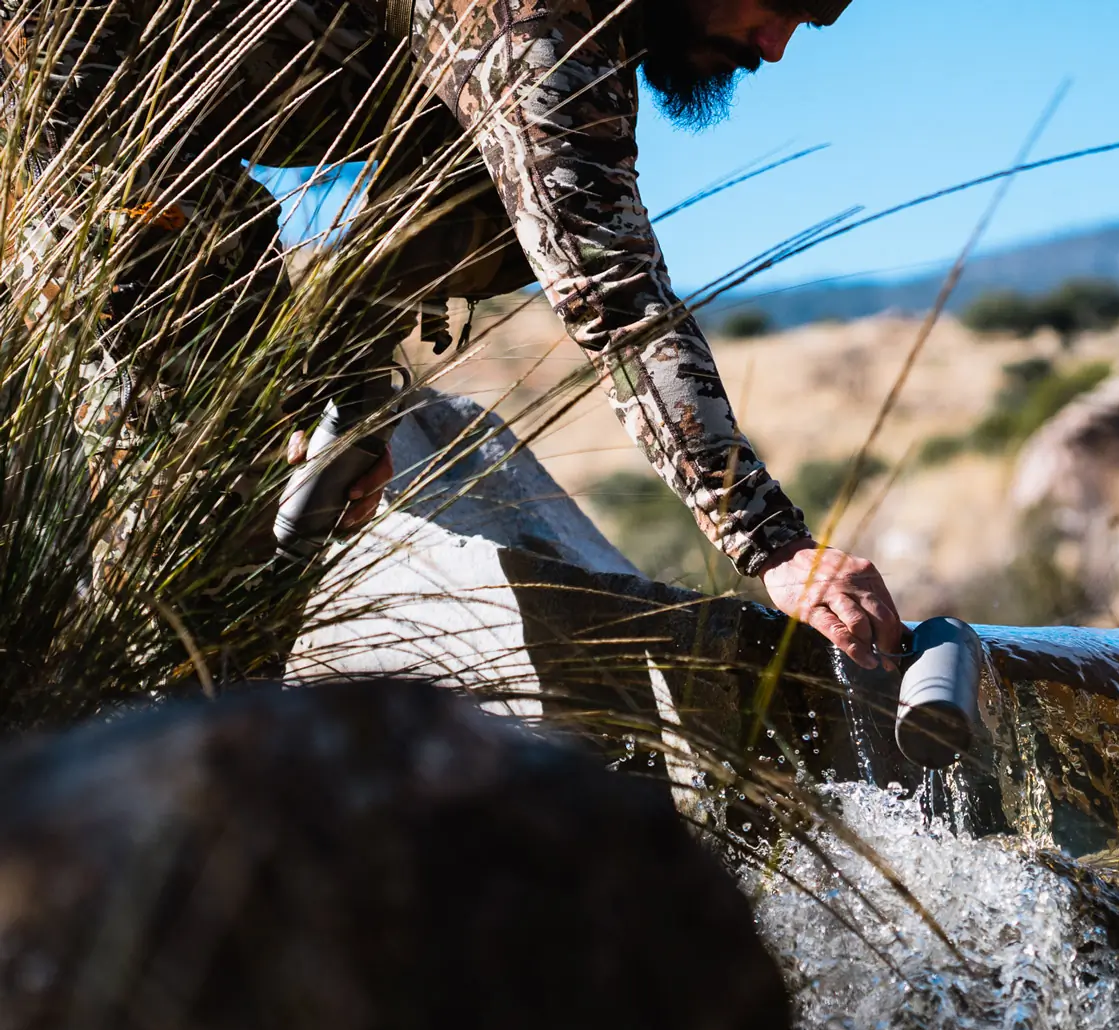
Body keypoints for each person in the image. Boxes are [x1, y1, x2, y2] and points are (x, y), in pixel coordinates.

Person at [1, 0, 905, 670]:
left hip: (163, 144)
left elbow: (450, 209)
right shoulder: (539, 26)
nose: (775, 46)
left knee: (488, 203)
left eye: (815, 20)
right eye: (783, 3)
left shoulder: (578, 45)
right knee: (198, 531)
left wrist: (347, 401)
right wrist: (776, 546)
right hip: (76, 112)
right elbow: (613, 294)